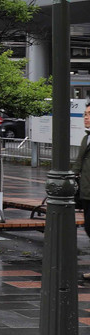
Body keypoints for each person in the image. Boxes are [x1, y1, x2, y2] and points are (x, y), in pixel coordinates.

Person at [76, 103, 90, 280]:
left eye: (89, 114)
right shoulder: (85, 139)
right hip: (86, 192)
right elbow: (78, 163)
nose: (86, 117)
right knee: (88, 228)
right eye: (85, 114)